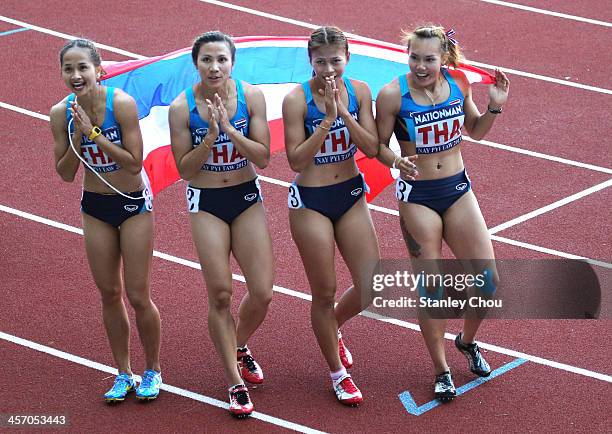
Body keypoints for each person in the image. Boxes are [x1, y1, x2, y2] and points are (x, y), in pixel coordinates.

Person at [375, 24, 509, 402]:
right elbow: (376, 145)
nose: (420, 65)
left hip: (458, 190)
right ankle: (441, 369)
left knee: (488, 281)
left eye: (429, 59)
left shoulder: (459, 85)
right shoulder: (392, 96)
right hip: (418, 196)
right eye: (414, 57)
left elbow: (477, 131)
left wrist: (495, 104)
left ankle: (466, 342)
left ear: (443, 58)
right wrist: (397, 160)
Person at [50, 39, 162, 403]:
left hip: (132, 204)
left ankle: (153, 369)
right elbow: (66, 173)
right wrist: (78, 135)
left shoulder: (121, 104)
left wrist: (96, 132)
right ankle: (123, 372)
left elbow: (133, 162)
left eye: (83, 67)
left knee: (137, 294)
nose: (76, 75)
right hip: (95, 205)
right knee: (110, 293)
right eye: (69, 69)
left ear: (99, 71)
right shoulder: (59, 113)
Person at [169, 31, 273, 418]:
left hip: (245, 198)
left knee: (262, 292)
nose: (214, 67)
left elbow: (263, 158)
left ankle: (238, 344)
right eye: (206, 60)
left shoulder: (251, 97)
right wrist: (209, 136)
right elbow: (184, 170)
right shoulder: (182, 107)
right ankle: (234, 380)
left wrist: (230, 131)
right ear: (195, 64)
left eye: (221, 60)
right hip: (207, 202)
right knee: (221, 295)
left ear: (232, 63)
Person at [282, 26, 381, 406]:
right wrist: (325, 121)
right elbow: (295, 160)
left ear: (348, 58)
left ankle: (333, 327)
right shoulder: (296, 100)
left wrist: (344, 112)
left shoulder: (359, 92)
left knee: (372, 285)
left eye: (335, 60)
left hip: (351, 194)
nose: (328, 68)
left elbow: (371, 148)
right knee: (323, 292)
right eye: (320, 61)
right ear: (310, 61)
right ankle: (338, 375)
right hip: (311, 200)